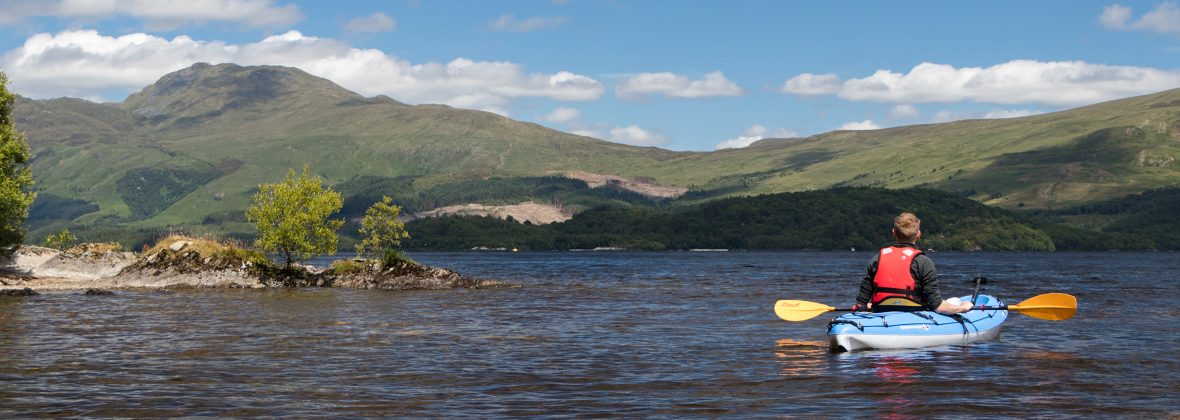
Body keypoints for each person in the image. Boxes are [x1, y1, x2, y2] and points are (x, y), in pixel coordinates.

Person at [852, 212, 973, 315]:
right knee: (956, 301)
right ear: (918, 234)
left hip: (881, 311)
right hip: (914, 314)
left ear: (893, 232)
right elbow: (938, 306)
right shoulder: (923, 262)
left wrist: (866, 307)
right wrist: (963, 307)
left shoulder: (877, 259)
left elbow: (860, 303)